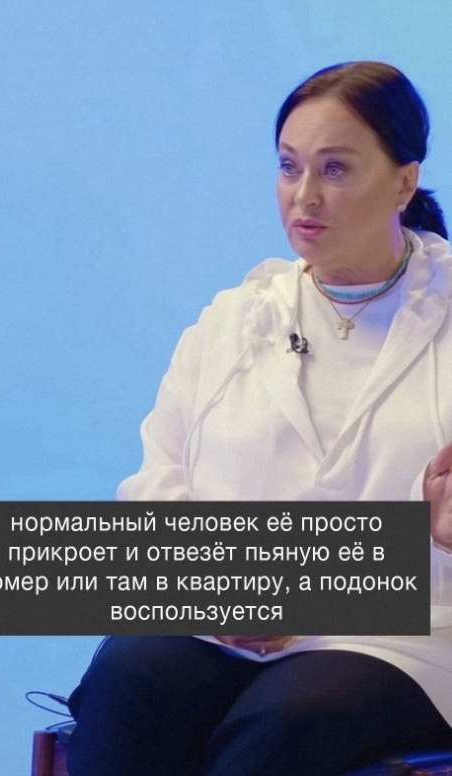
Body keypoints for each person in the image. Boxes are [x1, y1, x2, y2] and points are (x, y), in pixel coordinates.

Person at [67, 61, 452, 775]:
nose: (305, 196)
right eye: (289, 167)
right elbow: (157, 489)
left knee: (290, 715)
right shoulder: (233, 321)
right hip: (228, 622)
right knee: (130, 677)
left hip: (406, 635)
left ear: (404, 181)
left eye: (335, 169)